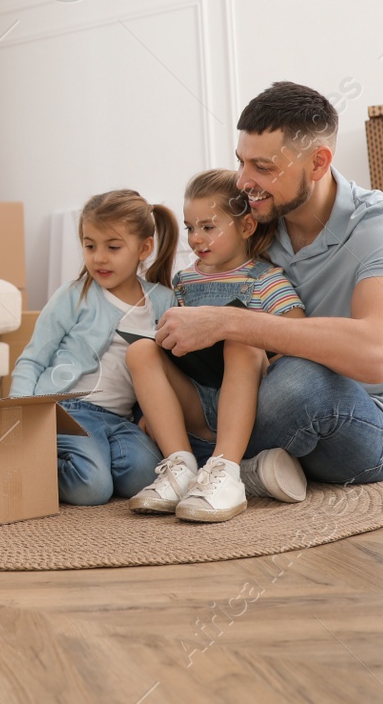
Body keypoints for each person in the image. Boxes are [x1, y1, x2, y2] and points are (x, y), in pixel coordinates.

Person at [154, 81, 383, 486]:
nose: (243, 180)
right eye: (241, 162)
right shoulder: (252, 224)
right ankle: (238, 467)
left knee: (298, 381)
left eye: (263, 168)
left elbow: (377, 353)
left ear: (318, 163)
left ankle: (203, 458)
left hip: (361, 425)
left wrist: (228, 322)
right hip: (257, 401)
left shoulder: (381, 225)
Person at [126, 170, 306, 522]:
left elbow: (297, 338)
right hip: (197, 401)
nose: (195, 238)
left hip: (249, 407)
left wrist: (257, 348)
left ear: (246, 227)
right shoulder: (184, 281)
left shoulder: (266, 279)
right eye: (190, 227)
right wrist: (152, 406)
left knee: (241, 341)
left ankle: (225, 469)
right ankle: (179, 467)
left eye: (208, 227)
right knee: (141, 350)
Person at [9, 190, 178, 506]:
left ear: (144, 248)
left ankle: (92, 461)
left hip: (120, 419)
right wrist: (21, 413)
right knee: (92, 489)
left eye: (113, 247)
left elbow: (161, 370)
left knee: (147, 475)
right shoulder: (74, 295)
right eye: (89, 246)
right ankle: (32, 461)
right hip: (68, 410)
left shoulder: (163, 300)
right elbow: (32, 359)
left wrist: (147, 415)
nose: (99, 257)